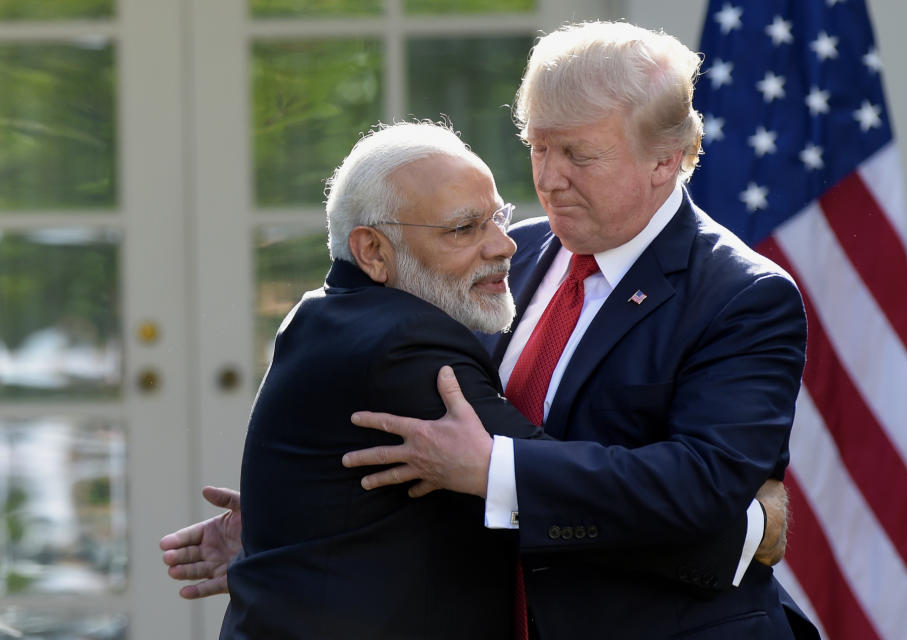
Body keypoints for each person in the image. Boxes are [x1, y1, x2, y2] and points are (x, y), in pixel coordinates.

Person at [172, 120, 785, 639]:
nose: (504, 247)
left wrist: (293, 526)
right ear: (373, 252)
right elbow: (526, 475)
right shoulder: (403, 346)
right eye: (464, 230)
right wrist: (740, 532)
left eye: (498, 217)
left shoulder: (327, 313)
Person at [340, 21, 817, 639]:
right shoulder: (510, 252)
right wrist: (297, 514)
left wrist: (497, 470)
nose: (549, 177)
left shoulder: (744, 296)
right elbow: (412, 415)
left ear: (664, 160)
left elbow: (700, 486)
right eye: (538, 147)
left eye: (579, 154)